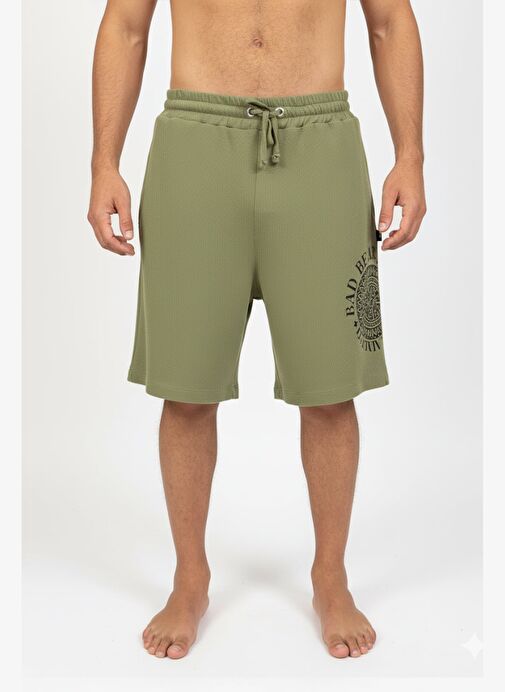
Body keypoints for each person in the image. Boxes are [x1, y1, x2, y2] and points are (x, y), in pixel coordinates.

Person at [87, 0, 426, 660]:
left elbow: (390, 19)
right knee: (186, 388)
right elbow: (125, 25)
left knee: (329, 389)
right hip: (193, 140)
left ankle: (330, 576)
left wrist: (409, 155)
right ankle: (190, 579)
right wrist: (104, 162)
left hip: (320, 141)